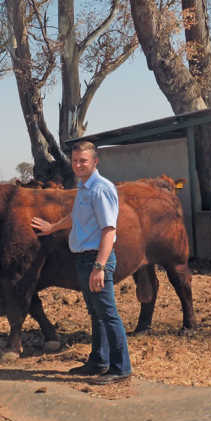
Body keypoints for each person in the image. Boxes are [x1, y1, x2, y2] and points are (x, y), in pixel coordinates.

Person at [31, 141, 131, 384]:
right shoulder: (84, 188)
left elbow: (109, 230)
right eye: (75, 161)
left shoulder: (100, 189)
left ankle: (121, 368)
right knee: (96, 313)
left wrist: (100, 266)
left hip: (96, 259)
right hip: (84, 259)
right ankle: (99, 361)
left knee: (108, 314)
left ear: (95, 162)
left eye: (83, 161)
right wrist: (52, 227)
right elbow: (76, 217)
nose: (78, 165)